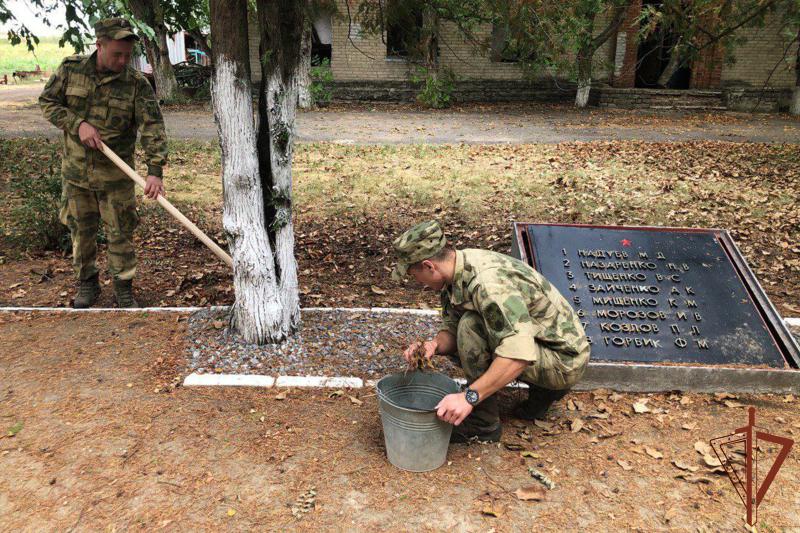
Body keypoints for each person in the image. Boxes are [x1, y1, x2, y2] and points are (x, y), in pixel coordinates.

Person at [393, 220, 590, 442]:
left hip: (563, 360)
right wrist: (434, 345)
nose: (417, 282)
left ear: (429, 266)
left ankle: (483, 424)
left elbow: (518, 354)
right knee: (465, 327)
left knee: (471, 328)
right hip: (542, 342)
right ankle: (543, 392)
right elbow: (452, 329)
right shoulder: (455, 270)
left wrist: (468, 398)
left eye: (413, 274)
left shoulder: (488, 283)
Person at [39, 17, 168, 308]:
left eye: (127, 55)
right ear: (99, 46)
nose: (123, 61)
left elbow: (152, 127)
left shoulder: (136, 84)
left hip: (116, 177)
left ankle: (124, 287)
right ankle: (88, 286)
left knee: (121, 233)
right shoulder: (71, 70)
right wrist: (78, 124)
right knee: (81, 233)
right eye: (117, 54)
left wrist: (155, 171)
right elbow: (48, 101)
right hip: (76, 174)